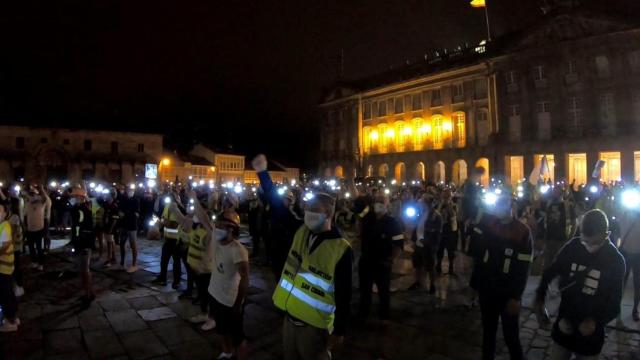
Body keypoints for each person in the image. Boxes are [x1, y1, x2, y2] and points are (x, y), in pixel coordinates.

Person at [272, 190, 352, 360]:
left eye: (314, 209)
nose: (308, 213)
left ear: (328, 213)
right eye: (307, 208)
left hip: (314, 328)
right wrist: (262, 173)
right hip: (289, 318)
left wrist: (339, 330)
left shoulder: (341, 249)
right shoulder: (302, 231)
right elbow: (279, 208)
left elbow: (344, 294)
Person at [535, 209, 626, 359]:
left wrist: (595, 321)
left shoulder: (615, 261)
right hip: (565, 324)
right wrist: (539, 297)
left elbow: (614, 304)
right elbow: (551, 271)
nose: (588, 246)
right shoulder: (574, 246)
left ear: (606, 234)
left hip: (591, 336)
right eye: (585, 240)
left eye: (594, 242)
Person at [469, 190, 533, 360]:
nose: (498, 209)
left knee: (511, 336)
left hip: (507, 292)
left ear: (511, 207)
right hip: (487, 289)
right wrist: (475, 285)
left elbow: (523, 267)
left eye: (502, 206)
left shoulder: (522, 231)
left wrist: (516, 296)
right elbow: (478, 255)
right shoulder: (489, 225)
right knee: (488, 333)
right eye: (496, 206)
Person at [252, 154, 303, 278]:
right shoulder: (277, 209)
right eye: (283, 199)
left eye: (287, 199)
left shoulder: (293, 215)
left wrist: (263, 173)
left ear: (291, 201)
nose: (283, 201)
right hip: (275, 247)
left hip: (288, 252)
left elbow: (271, 193)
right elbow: (268, 194)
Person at [208, 209, 250, 360]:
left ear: (232, 228)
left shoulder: (238, 251)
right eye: (216, 225)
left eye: (221, 225)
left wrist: (238, 304)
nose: (217, 228)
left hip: (230, 301)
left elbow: (245, 279)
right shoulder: (217, 239)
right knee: (221, 330)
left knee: (238, 336)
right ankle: (227, 352)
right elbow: (202, 217)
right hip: (215, 295)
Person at [171, 191, 216, 329]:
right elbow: (182, 220)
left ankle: (212, 318)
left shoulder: (211, 230)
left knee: (209, 295)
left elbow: (203, 218)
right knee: (202, 293)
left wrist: (194, 199)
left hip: (206, 269)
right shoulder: (195, 227)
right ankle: (204, 313)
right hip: (196, 268)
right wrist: (174, 207)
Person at [358, 194, 404, 320]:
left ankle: (384, 318)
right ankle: (363, 314)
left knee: (384, 293)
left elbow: (399, 244)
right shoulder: (368, 218)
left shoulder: (392, 222)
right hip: (366, 261)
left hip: (382, 263)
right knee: (365, 291)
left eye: (382, 202)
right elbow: (358, 216)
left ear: (387, 205)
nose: (378, 205)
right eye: (377, 201)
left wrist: (391, 260)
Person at [69, 186, 96, 307]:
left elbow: (84, 228)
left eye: (75, 196)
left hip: (84, 243)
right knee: (83, 270)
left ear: (80, 197)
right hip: (82, 242)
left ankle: (88, 295)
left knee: (85, 270)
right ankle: (89, 292)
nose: (73, 198)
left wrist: (82, 244)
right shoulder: (81, 208)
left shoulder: (82, 210)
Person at [411, 196, 442, 294]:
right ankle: (417, 282)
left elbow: (437, 232)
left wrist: (428, 243)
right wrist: (414, 239)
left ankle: (432, 285)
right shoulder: (420, 213)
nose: (420, 204)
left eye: (423, 203)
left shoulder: (436, 216)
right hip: (418, 244)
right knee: (417, 265)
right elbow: (416, 227)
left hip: (427, 246)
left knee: (430, 266)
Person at [153, 191, 183, 288]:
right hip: (167, 238)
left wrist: (161, 221)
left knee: (176, 261)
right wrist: (160, 221)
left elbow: (174, 224)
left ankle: (176, 281)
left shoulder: (176, 208)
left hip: (176, 240)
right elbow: (164, 219)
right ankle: (162, 278)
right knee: (164, 260)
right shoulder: (167, 206)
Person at [619, 203, 640, 321]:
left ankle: (635, 309)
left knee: (637, 284)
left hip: (636, 255)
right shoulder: (624, 217)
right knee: (622, 282)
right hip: (626, 254)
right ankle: (629, 309)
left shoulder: (625, 217)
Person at [0, 202, 19, 332]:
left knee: (5, 294)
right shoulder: (2, 225)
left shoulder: (4, 226)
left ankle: (10, 321)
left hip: (4, 268)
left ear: (5, 213)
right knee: (9, 293)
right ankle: (13, 318)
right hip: (5, 267)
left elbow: (5, 245)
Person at [25, 184, 51, 271]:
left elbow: (45, 198)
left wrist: (42, 189)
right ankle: (34, 262)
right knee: (31, 248)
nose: (33, 196)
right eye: (31, 194)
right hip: (30, 229)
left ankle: (41, 263)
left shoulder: (41, 203)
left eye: (34, 194)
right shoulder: (28, 203)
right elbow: (25, 194)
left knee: (39, 248)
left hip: (39, 229)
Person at [543, 187, 568, 269]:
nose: (555, 193)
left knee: (558, 258)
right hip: (550, 235)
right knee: (548, 259)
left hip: (560, 236)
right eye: (554, 191)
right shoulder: (549, 204)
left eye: (557, 191)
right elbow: (546, 218)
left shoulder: (565, 205)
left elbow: (571, 220)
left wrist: (570, 234)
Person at [437, 189, 458, 276]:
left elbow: (454, 215)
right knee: (440, 249)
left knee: (451, 250)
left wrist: (449, 205)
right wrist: (441, 204)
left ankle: (451, 268)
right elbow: (437, 214)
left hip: (450, 230)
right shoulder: (439, 205)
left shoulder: (453, 205)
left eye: (448, 195)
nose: (446, 197)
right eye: (445, 195)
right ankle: (438, 265)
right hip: (441, 230)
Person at [118, 186, 139, 273]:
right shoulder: (123, 199)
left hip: (132, 225)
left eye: (131, 190)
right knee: (122, 244)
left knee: (133, 244)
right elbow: (120, 209)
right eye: (128, 190)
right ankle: (122, 263)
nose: (129, 192)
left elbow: (136, 213)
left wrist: (126, 212)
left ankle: (134, 264)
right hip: (123, 224)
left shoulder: (135, 200)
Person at [8, 197, 24, 297]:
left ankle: (19, 286)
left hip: (15, 247)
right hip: (13, 246)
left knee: (16, 267)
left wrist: (10, 245)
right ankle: (16, 286)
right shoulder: (12, 216)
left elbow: (14, 233)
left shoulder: (14, 217)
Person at [102, 191, 119, 267]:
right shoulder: (106, 205)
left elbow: (115, 219)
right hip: (106, 226)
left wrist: (111, 229)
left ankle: (108, 259)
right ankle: (113, 257)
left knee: (109, 242)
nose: (107, 196)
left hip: (111, 227)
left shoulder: (114, 206)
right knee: (110, 242)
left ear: (112, 197)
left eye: (108, 195)